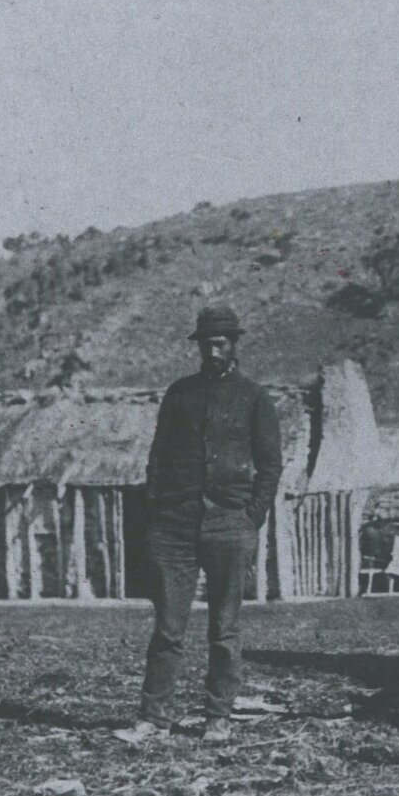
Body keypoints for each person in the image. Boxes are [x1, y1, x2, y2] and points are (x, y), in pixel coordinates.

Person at [120, 305, 282, 744]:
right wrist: (159, 508)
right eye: (206, 344)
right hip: (174, 525)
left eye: (220, 343)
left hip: (230, 523)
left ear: (234, 344)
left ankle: (218, 717)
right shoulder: (180, 394)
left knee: (224, 629)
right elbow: (157, 456)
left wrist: (251, 516)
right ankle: (154, 718)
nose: (213, 352)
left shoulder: (254, 398)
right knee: (168, 628)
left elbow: (270, 466)